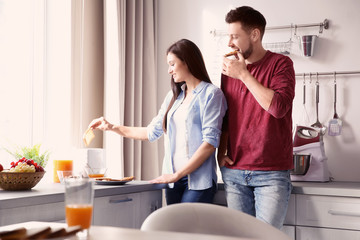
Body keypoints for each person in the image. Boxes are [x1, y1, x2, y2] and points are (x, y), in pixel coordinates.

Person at [88, 39, 227, 205]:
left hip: (198, 182)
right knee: (171, 229)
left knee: (186, 228)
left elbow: (210, 143)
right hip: (172, 181)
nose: (169, 70)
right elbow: (151, 132)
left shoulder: (211, 94)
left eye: (172, 64)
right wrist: (111, 127)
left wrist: (177, 175)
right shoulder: (174, 97)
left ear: (187, 62)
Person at [218, 6, 295, 229]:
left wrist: (244, 74)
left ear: (254, 35)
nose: (230, 42)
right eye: (228, 36)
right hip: (234, 173)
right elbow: (225, 117)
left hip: (271, 174)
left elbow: (278, 108)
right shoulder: (229, 71)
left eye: (235, 36)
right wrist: (220, 152)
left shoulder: (281, 64)